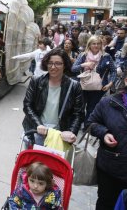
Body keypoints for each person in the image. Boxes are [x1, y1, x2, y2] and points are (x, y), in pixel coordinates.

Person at [23, 48, 84, 146]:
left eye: (58, 63)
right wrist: (38, 124)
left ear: (65, 65)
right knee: (32, 160)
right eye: (50, 63)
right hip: (36, 130)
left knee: (53, 161)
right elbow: (27, 105)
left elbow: (78, 113)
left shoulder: (74, 86)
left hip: (59, 135)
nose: (53, 67)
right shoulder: (36, 81)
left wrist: (71, 132)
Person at [85, 75, 127, 209]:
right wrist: (104, 134)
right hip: (110, 168)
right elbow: (90, 123)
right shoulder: (108, 103)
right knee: (106, 203)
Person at [71, 36, 116, 121]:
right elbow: (73, 69)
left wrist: (110, 83)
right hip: (83, 85)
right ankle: (78, 123)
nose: (96, 45)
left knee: (92, 108)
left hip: (99, 87)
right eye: (94, 43)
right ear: (89, 45)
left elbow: (113, 71)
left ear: (101, 45)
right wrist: (84, 64)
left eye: (98, 43)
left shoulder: (106, 56)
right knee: (80, 107)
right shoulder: (83, 55)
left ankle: (87, 126)